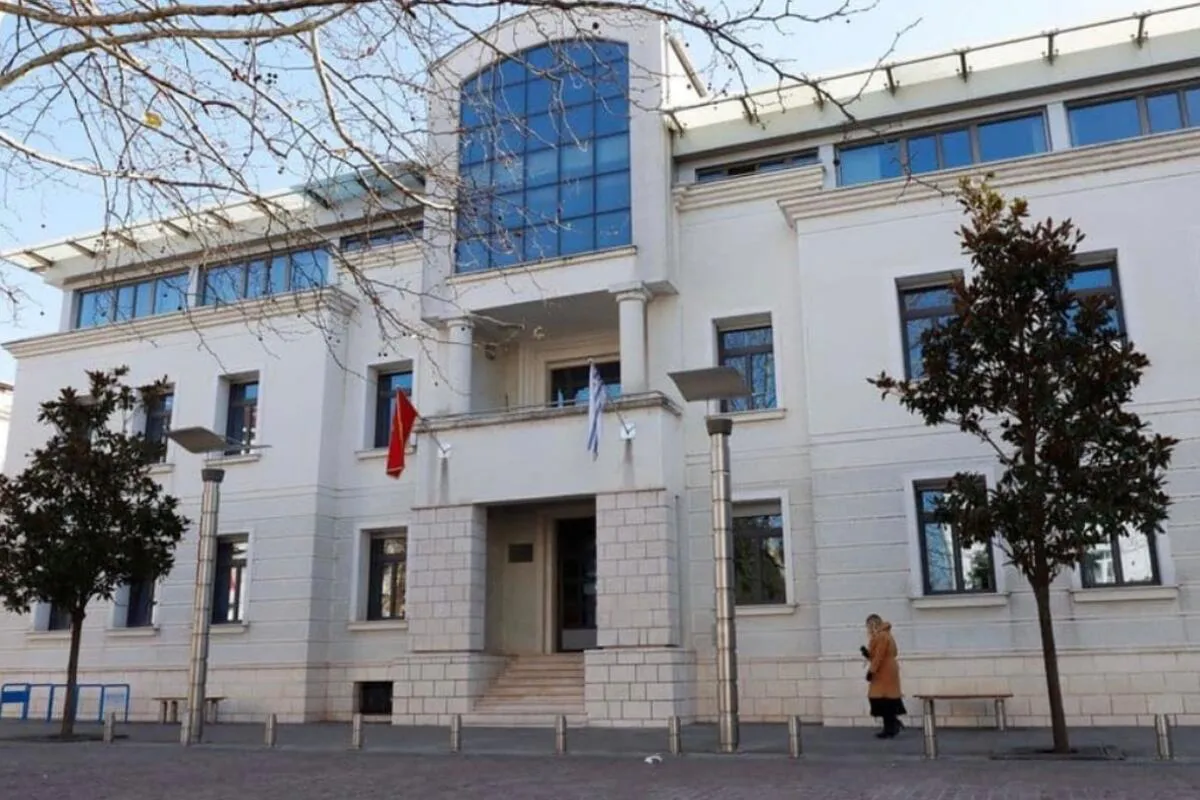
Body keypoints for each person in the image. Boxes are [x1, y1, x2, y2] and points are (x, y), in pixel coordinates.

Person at [860, 614, 905, 739]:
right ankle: (892, 725)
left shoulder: (881, 636)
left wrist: (871, 671)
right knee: (887, 699)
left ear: (873, 624)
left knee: (881, 699)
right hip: (887, 669)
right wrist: (867, 654)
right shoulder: (887, 635)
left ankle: (890, 727)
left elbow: (879, 656)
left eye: (869, 626)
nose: (868, 629)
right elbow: (892, 653)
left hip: (883, 670)